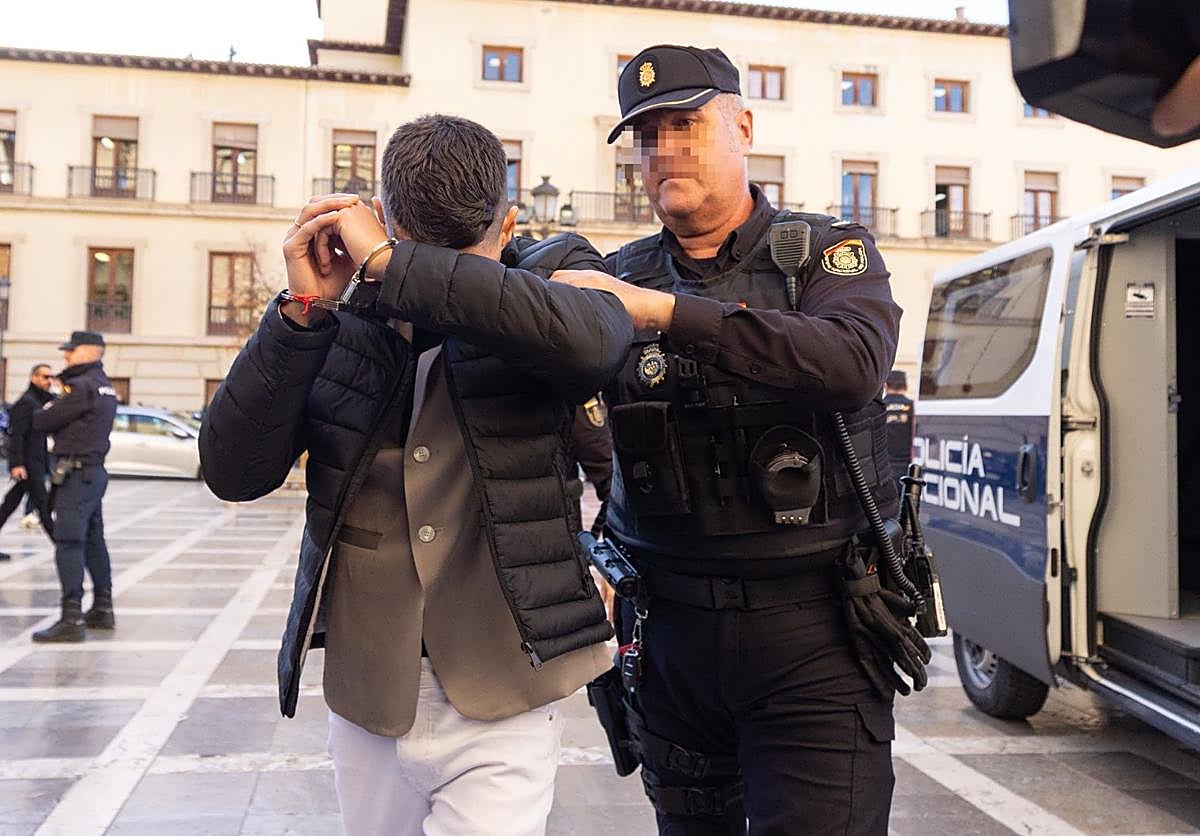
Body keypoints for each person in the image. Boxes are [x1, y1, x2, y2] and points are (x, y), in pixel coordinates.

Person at [200, 114, 633, 835]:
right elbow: (234, 472)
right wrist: (302, 313)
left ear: (512, 225)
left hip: (509, 682)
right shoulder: (337, 314)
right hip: (372, 685)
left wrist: (396, 266)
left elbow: (597, 342)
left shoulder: (553, 278)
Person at [545, 45, 931, 834]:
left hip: (814, 639)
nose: (665, 151)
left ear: (744, 126)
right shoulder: (619, 275)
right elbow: (551, 422)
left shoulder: (827, 255)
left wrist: (662, 315)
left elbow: (852, 362)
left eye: (685, 124)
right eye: (648, 136)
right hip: (669, 641)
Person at [30, 331, 118, 643]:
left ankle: (71, 617)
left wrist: (47, 406)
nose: (66, 356)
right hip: (92, 473)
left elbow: (42, 421)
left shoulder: (80, 387)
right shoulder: (105, 386)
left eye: (71, 350)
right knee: (94, 539)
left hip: (76, 475)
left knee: (69, 543)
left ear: (90, 352)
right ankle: (103, 608)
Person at [0, 364, 56, 560]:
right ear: (33, 377)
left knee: (9, 504)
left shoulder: (38, 400)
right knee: (43, 505)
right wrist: (17, 464)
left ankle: (64, 549)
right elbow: (17, 436)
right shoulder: (26, 403)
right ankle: (64, 549)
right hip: (28, 466)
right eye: (45, 377)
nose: (49, 381)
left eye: (51, 377)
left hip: (35, 464)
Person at [883, 369, 915, 479]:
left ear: (885, 386)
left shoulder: (878, 407)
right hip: (907, 467)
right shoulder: (913, 407)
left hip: (882, 467)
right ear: (905, 386)